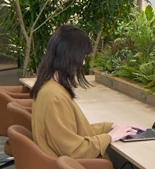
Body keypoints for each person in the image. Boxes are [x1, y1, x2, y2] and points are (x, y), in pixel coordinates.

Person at [30, 24, 141, 159]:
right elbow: (74, 151)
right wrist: (109, 137)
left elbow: (75, 132)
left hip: (61, 167)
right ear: (70, 56)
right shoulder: (55, 97)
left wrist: (111, 127)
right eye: (82, 56)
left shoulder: (48, 87)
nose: (83, 63)